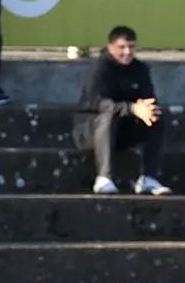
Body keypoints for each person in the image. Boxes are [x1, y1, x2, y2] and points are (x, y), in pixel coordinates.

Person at [72, 26, 171, 195]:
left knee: (155, 116)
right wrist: (131, 108)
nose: (127, 52)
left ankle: (149, 178)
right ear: (110, 47)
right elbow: (98, 103)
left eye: (131, 47)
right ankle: (104, 178)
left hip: (122, 130)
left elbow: (148, 100)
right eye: (121, 47)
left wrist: (146, 109)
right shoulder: (99, 69)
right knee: (108, 116)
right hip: (90, 131)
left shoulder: (141, 69)